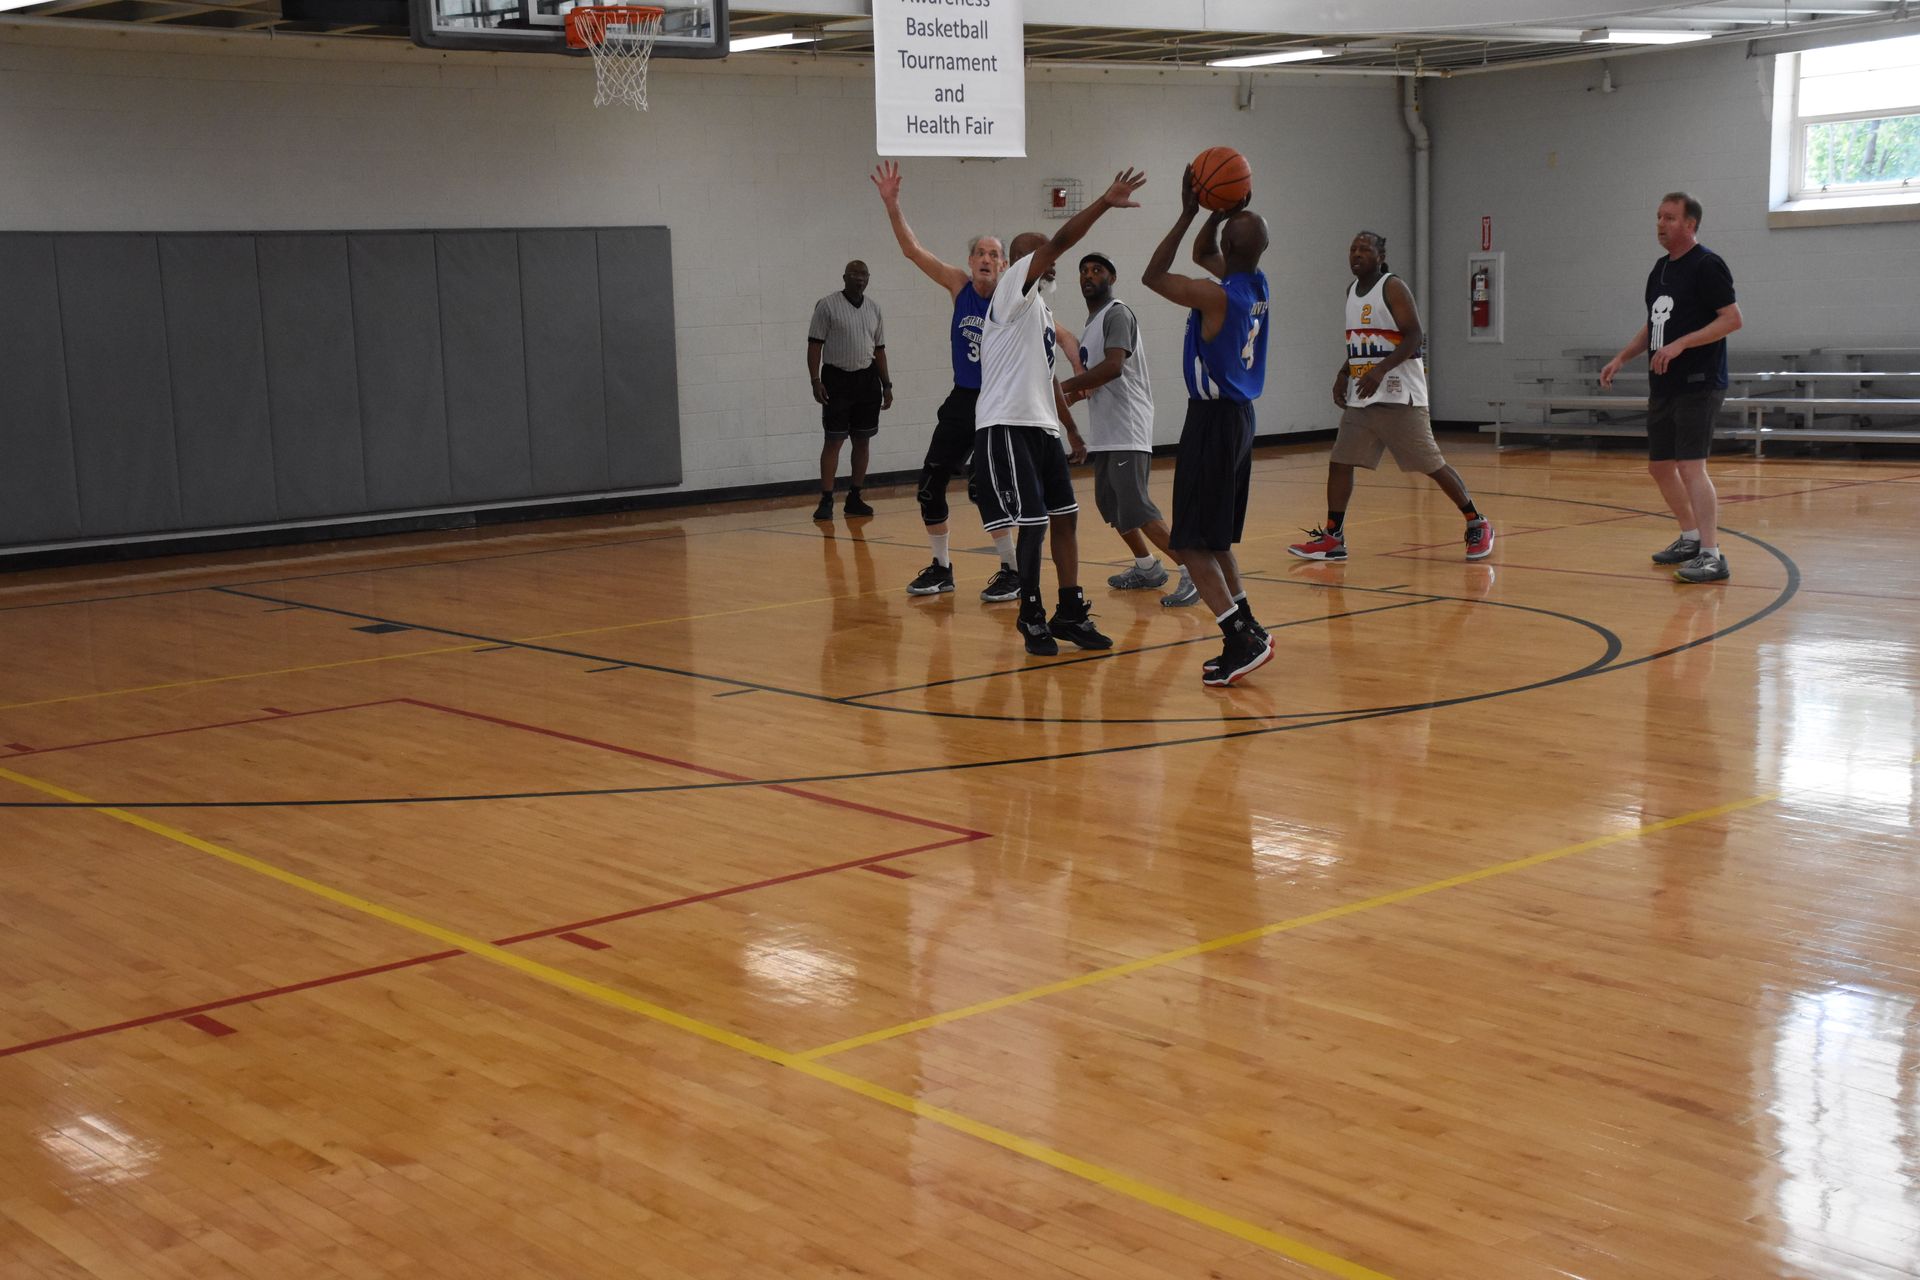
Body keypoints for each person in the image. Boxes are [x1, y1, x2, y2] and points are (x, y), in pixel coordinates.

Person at [974, 166, 1147, 657]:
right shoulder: (1011, 288)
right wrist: (1103, 203)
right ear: (1022, 260)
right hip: (1006, 425)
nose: (1048, 257)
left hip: (1042, 427)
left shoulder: (1041, 311)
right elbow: (1064, 240)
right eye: (1039, 251)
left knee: (1066, 518)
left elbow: (1048, 379)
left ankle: (1069, 612)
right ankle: (1030, 615)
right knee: (1034, 522)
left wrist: (1070, 430)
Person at [1288, 232, 1494, 564]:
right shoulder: (1351, 291)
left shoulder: (1392, 286)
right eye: (1352, 248)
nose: (1356, 254)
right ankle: (1333, 537)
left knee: (1431, 464)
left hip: (1400, 396)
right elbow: (1360, 341)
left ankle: (1476, 521)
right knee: (1340, 463)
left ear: (1381, 256)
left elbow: (1415, 336)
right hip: (1364, 397)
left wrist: (1380, 370)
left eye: (1364, 249)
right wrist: (1344, 373)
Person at [1141, 169, 1273, 687]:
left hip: (1214, 422)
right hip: (1240, 421)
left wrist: (1191, 209)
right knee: (1216, 540)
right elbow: (1203, 255)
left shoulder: (1218, 297)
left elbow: (1154, 275)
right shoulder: (1254, 282)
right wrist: (1219, 213)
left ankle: (1239, 638)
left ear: (1230, 246)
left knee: (1191, 542)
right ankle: (1249, 628)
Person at [869, 162, 1023, 603]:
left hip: (999, 403)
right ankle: (942, 568)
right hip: (963, 398)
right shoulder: (959, 287)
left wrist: (1072, 348)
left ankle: (1010, 570)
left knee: (982, 487)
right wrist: (892, 204)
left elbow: (1057, 327)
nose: (987, 260)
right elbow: (913, 251)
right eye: (981, 254)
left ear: (1005, 265)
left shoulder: (1015, 299)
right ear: (971, 262)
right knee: (929, 484)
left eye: (995, 254)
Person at [1599, 191, 1744, 584]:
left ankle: (1713, 555)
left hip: (1699, 380)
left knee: (1690, 465)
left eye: (1670, 218)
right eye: (1658, 216)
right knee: (1660, 465)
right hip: (1663, 383)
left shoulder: (1707, 265)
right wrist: (1623, 357)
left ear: (1690, 224)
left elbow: (1732, 319)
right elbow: (1653, 324)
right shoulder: (1660, 270)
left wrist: (1682, 343)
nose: (1661, 224)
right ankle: (1691, 538)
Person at [1060, 252, 1198, 607]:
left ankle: (1194, 572)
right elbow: (1094, 382)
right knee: (1113, 506)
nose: (1089, 275)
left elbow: (1114, 367)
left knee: (1136, 507)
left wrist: (1065, 386)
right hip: (1107, 431)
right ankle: (1147, 567)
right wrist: (1065, 400)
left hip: (1128, 425)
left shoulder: (1116, 313)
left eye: (1097, 270)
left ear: (1112, 277)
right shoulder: (1092, 322)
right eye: (1084, 271)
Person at [806, 260, 892, 520]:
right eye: (854, 273)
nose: (859, 278)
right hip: (836, 379)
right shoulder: (827, 305)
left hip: (867, 380)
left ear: (868, 278)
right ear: (844, 277)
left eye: (863, 274)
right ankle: (827, 498)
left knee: (862, 440)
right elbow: (814, 346)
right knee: (834, 440)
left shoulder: (874, 309)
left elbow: (879, 350)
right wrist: (815, 380)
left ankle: (855, 496)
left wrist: (886, 384)